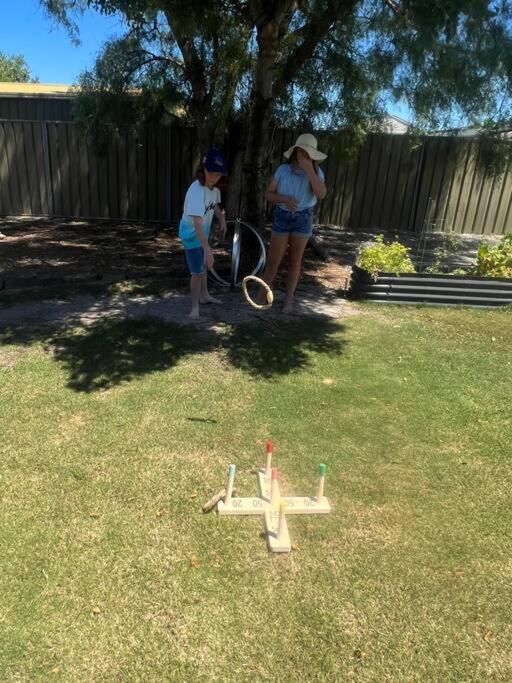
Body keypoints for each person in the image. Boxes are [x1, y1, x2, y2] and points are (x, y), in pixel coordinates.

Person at [260, 133, 327, 313]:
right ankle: (261, 296)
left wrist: (309, 169)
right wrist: (284, 198)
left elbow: (320, 194)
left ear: (312, 154)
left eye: (307, 152)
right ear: (296, 151)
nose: (303, 154)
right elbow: (268, 194)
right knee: (273, 261)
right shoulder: (283, 170)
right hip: (282, 216)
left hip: (303, 218)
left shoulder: (316, 172)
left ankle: (288, 301)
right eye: (301, 150)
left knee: (295, 262)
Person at [179, 149, 227, 319]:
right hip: (191, 234)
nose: (214, 177)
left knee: (204, 266)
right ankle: (194, 308)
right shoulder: (196, 190)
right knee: (197, 272)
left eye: (218, 174)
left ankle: (205, 296)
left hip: (202, 233)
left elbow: (215, 206)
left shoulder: (213, 189)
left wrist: (221, 219)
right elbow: (197, 222)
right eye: (211, 173)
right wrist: (207, 249)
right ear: (203, 170)